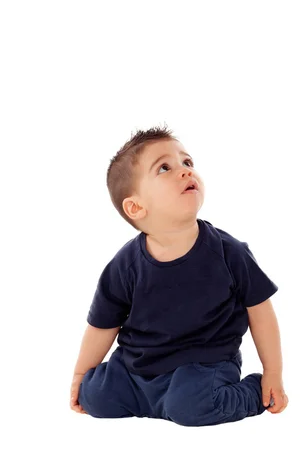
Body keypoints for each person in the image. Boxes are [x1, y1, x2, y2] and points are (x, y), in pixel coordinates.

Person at [70, 124, 288, 426]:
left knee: (193, 404)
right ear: (136, 207)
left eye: (187, 163)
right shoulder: (124, 265)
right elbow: (101, 325)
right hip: (137, 370)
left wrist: (273, 374)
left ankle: (251, 391)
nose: (185, 171)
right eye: (164, 168)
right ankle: (160, 403)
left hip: (203, 367)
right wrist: (81, 375)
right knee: (93, 395)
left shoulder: (229, 253)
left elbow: (261, 313)